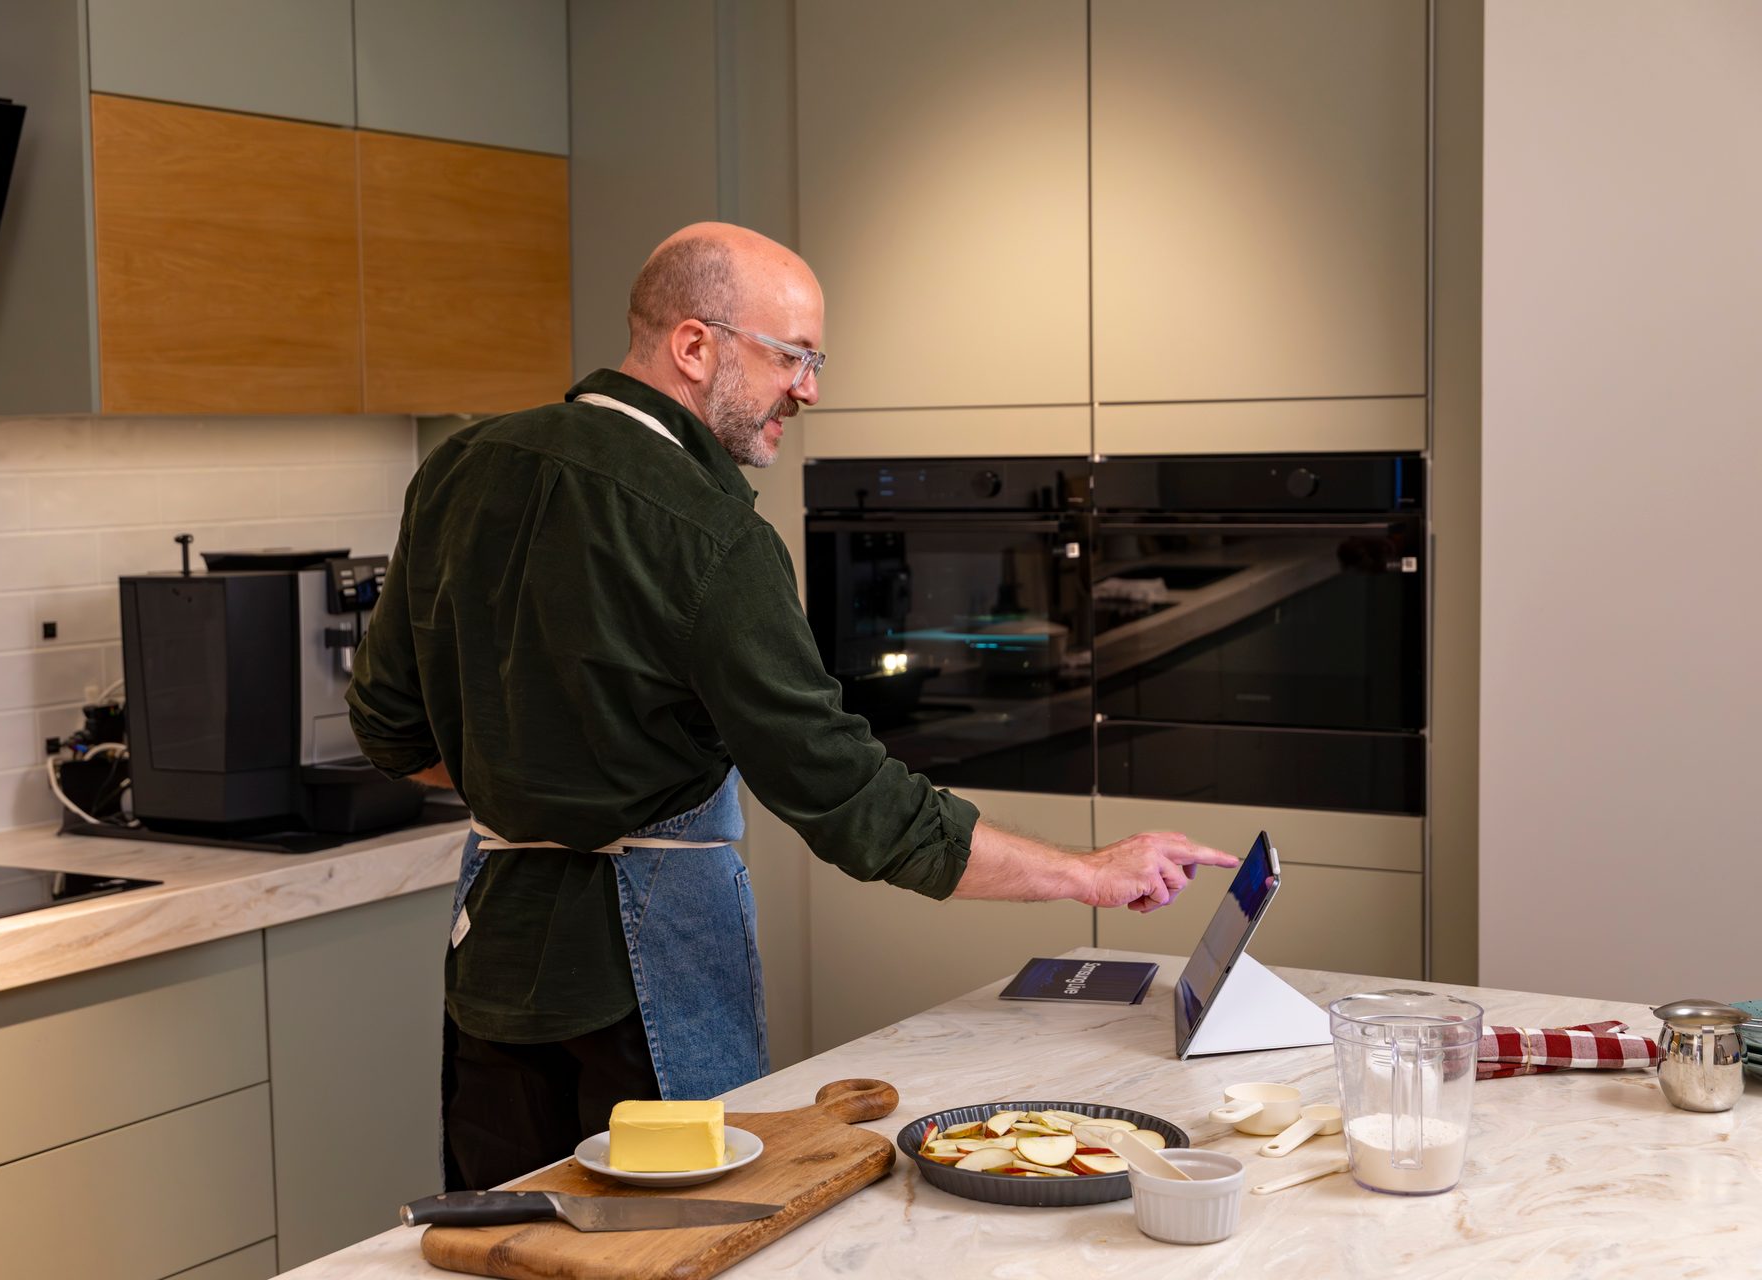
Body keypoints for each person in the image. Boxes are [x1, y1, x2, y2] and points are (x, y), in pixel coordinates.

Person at [346, 222, 1237, 1192]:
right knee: (682, 1233)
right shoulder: (706, 527)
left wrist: (522, 786)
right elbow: (852, 801)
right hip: (645, 975)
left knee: (509, 1233)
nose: (809, 388)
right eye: (793, 356)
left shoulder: (460, 467)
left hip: (494, 961)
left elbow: (391, 728)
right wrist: (1086, 873)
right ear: (694, 345)